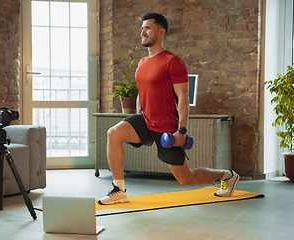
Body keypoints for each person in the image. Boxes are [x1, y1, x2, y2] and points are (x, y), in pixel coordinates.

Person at [98, 13, 239, 205]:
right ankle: (119, 190)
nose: (143, 32)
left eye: (148, 28)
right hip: (145, 119)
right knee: (113, 133)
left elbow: (183, 96)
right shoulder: (142, 62)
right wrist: (137, 119)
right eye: (142, 28)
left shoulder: (172, 61)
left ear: (161, 31)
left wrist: (181, 130)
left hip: (166, 127)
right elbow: (141, 92)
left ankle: (227, 175)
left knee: (185, 178)